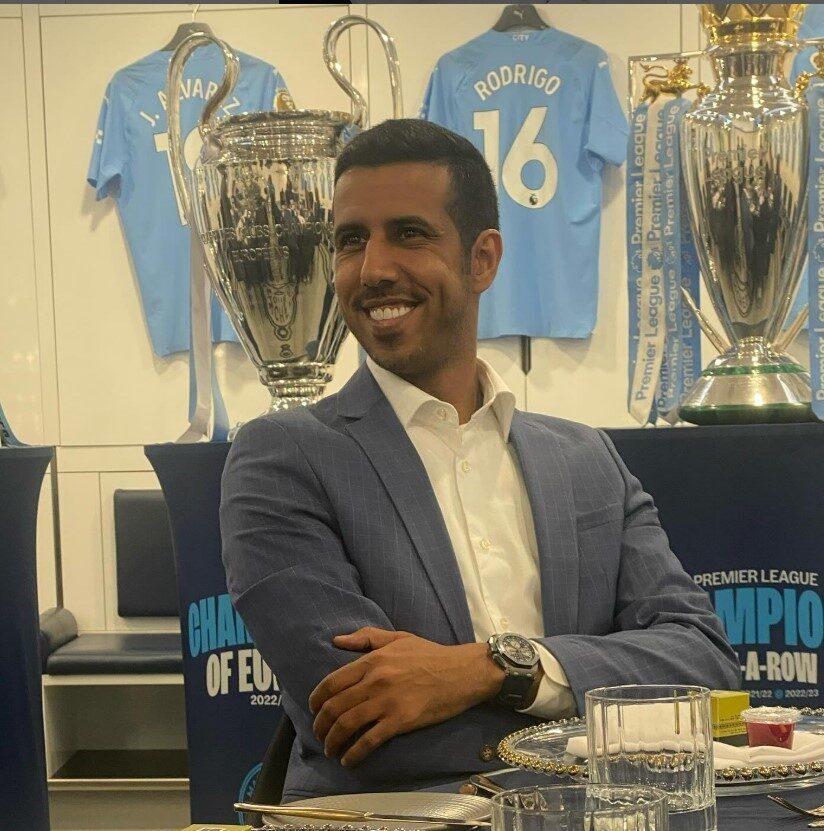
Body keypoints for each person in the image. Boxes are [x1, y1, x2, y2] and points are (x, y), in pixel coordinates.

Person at [220, 119, 741, 802]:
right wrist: (594, 711)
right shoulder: (283, 457)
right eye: (351, 240)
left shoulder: (586, 459)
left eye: (409, 233)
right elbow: (367, 726)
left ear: (483, 259)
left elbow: (705, 668)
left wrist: (493, 669)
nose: (373, 269)